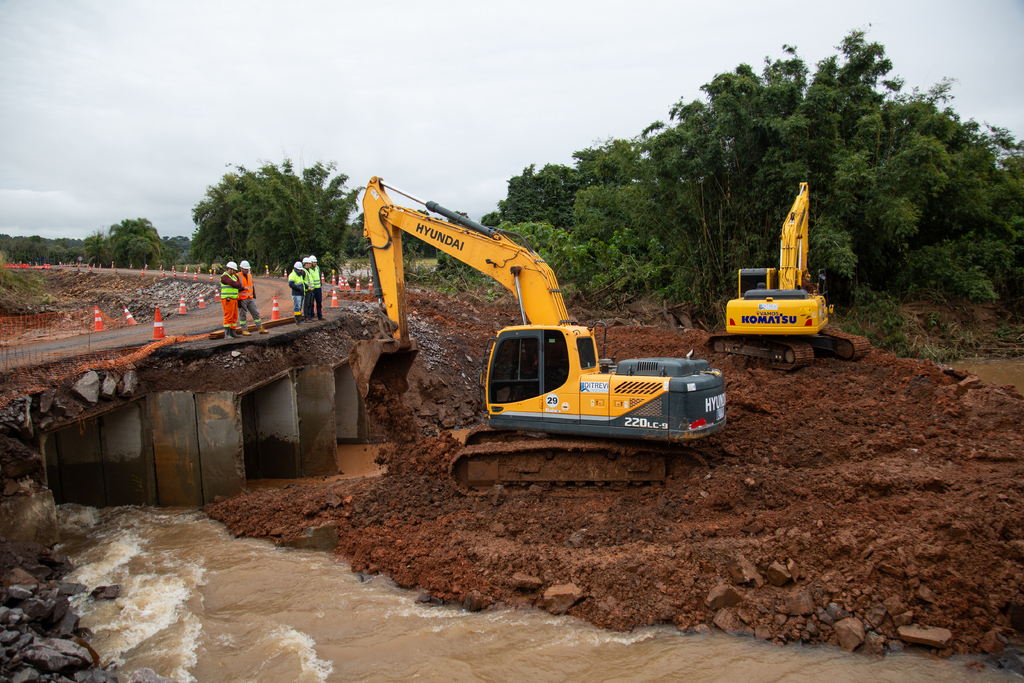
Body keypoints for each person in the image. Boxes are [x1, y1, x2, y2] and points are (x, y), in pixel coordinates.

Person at [236, 260, 267, 335]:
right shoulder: (237, 276)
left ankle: (260, 328)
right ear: (241, 268)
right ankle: (244, 329)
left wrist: (254, 296)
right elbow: (236, 287)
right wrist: (239, 300)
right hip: (242, 299)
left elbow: (252, 286)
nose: (247, 270)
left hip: (250, 298)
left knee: (255, 312)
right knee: (242, 315)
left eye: (247, 269)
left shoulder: (250, 275)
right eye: (245, 269)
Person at [220, 261, 242, 339]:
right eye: (233, 270)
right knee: (228, 316)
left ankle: (233, 332)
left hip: (233, 299)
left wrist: (237, 284)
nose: (234, 272)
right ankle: (227, 334)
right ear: (229, 269)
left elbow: (238, 284)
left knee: (234, 316)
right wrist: (237, 284)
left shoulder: (233, 276)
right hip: (227, 299)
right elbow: (234, 284)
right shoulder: (225, 277)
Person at [288, 261, 306, 325]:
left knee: (300, 307)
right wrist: (299, 289)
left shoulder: (300, 275)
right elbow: (291, 284)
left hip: (301, 294)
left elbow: (302, 283)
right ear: (295, 269)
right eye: (299, 270)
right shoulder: (292, 275)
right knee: (297, 307)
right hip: (296, 294)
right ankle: (298, 321)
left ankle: (299, 320)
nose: (300, 271)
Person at [306, 254, 323, 321]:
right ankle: (311, 316)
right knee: (311, 303)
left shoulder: (317, 268)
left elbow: (319, 275)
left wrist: (320, 284)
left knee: (319, 302)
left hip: (318, 288)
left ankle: (320, 315)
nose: (315, 263)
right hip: (312, 289)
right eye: (313, 262)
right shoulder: (309, 270)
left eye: (315, 262)